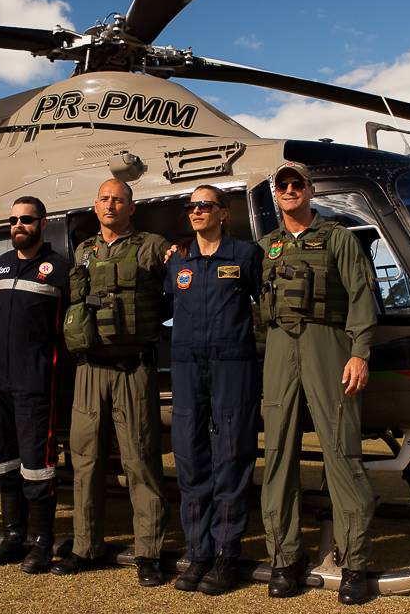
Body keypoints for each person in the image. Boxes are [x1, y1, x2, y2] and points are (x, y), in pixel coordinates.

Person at [258, 162, 378, 605]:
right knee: (277, 455)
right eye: (282, 185)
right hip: (278, 347)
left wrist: (359, 352)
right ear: (275, 192)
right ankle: (284, 557)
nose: (290, 190)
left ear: (310, 189)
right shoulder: (265, 247)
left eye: (297, 184)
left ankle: (354, 563)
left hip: (328, 344)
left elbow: (362, 297)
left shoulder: (338, 238)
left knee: (342, 452)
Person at [51, 179, 172, 587]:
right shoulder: (83, 251)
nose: (110, 205)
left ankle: (149, 553)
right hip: (89, 370)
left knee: (140, 460)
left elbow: (179, 281)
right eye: (104, 198)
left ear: (131, 208)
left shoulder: (153, 246)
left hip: (132, 368)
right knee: (85, 462)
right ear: (95, 204)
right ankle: (86, 547)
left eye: (119, 199)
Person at [163, 185, 261, 595]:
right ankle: (198, 552)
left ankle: (226, 554)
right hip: (187, 367)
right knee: (189, 458)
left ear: (224, 213)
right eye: (192, 206)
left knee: (232, 457)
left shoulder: (245, 256)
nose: (197, 210)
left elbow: (266, 307)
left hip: (232, 365)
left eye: (206, 205)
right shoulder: (178, 260)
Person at [0, 196, 71, 574]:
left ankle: (40, 542)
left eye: (27, 219)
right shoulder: (0, 264)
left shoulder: (60, 269)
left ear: (43, 223)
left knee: (37, 464)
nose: (19, 225)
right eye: (14, 219)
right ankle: (13, 536)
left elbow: (68, 332)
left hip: (34, 380)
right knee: (3, 460)